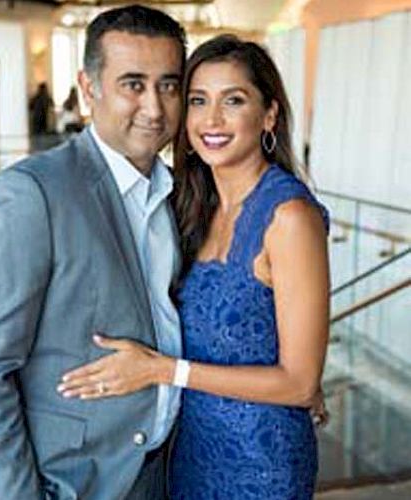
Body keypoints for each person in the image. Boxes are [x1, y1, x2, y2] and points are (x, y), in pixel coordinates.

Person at [58, 35, 330, 499]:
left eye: (234, 100)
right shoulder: (187, 207)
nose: (212, 120)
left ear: (268, 115)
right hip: (191, 452)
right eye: (199, 100)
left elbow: (301, 383)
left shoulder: (289, 218)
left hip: (260, 462)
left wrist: (164, 370)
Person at [0, 5, 186, 500]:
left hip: (162, 473)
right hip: (71, 484)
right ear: (88, 87)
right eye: (133, 84)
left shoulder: (175, 195)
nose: (155, 108)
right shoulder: (32, 194)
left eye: (168, 84)